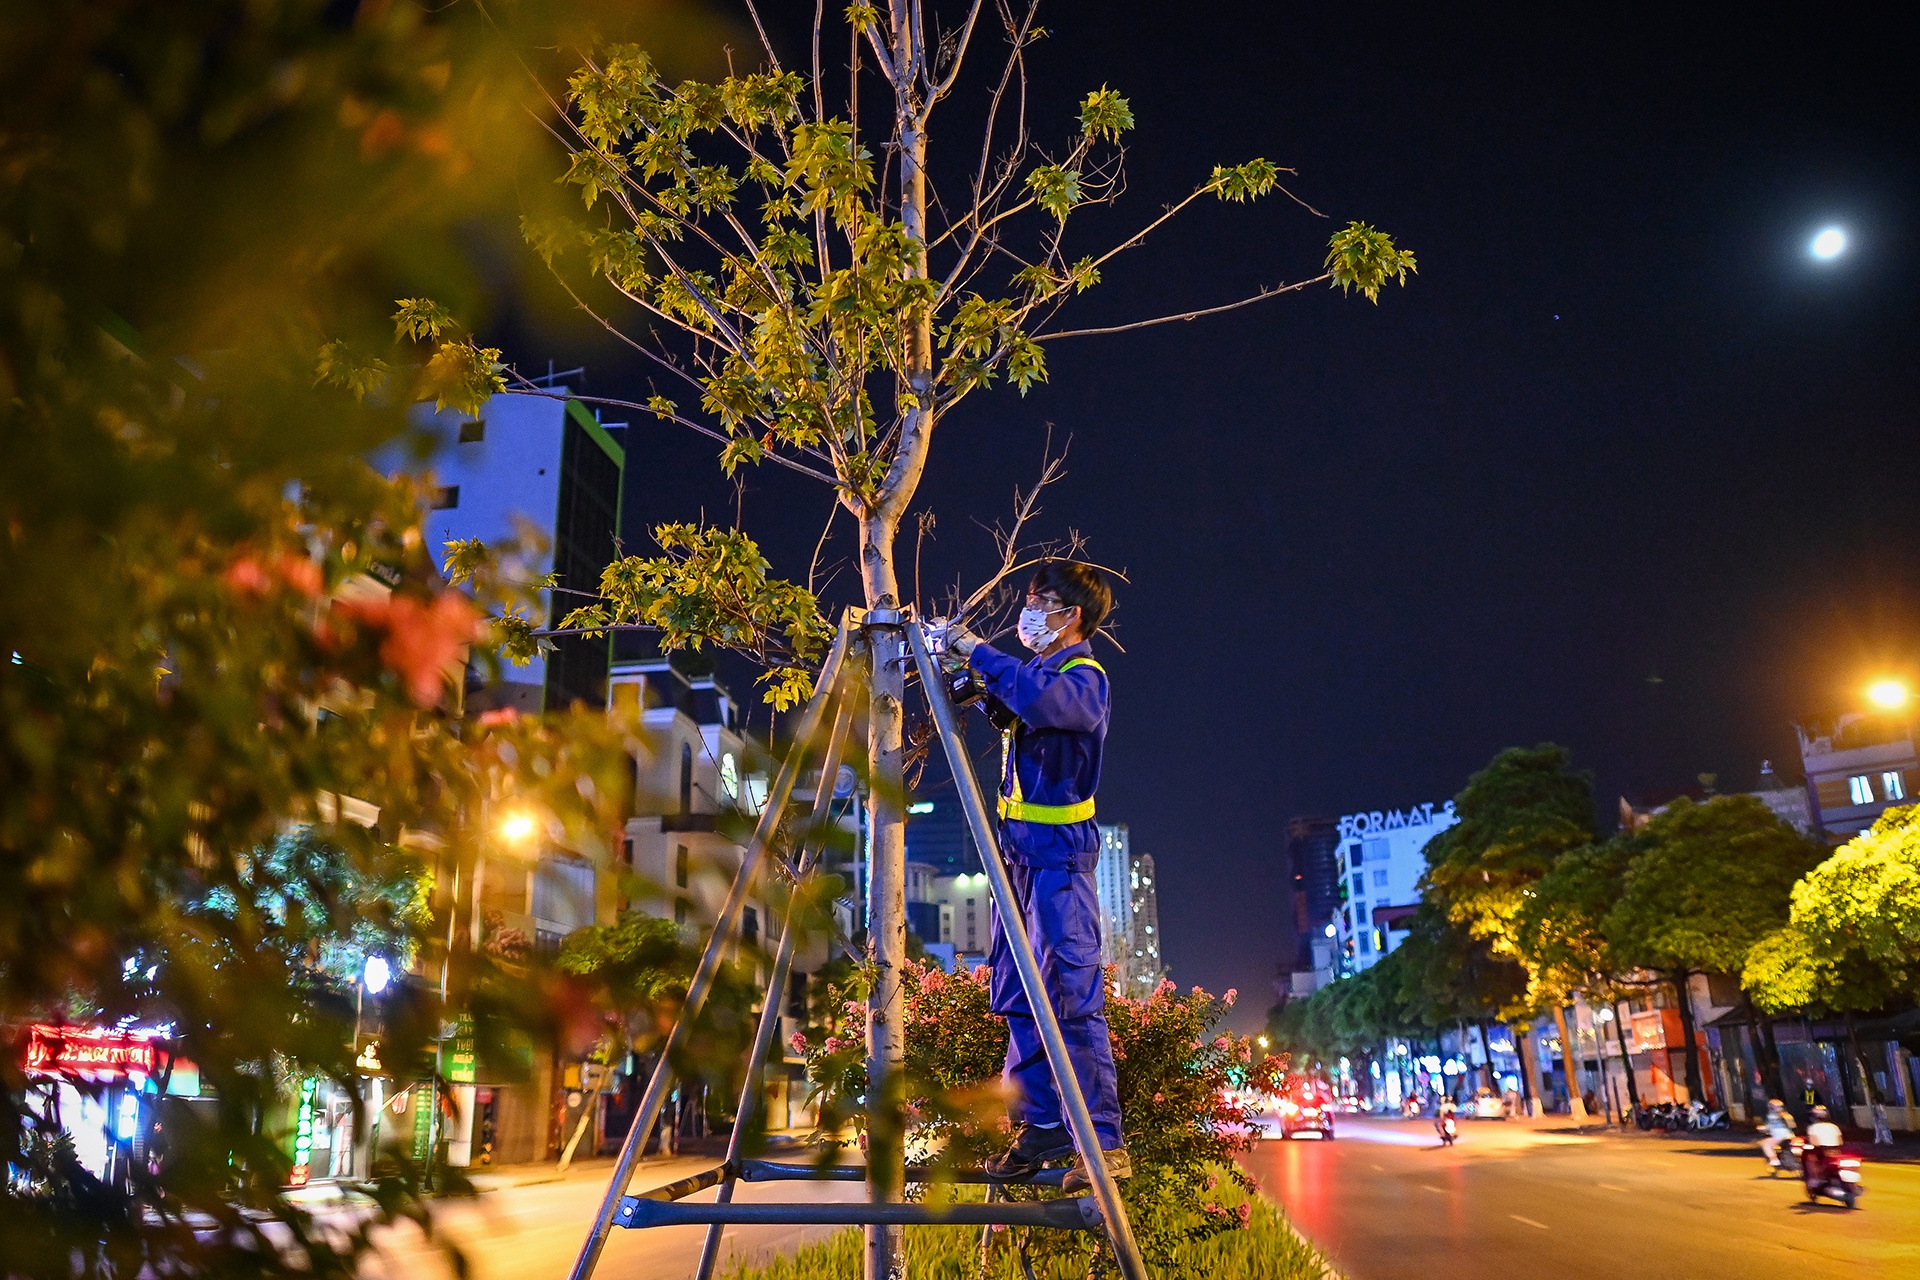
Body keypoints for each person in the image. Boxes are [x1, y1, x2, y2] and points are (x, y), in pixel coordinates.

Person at [932, 561, 1126, 1194]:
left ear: (1070, 615)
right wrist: (979, 686)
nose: (1031, 612)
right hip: (1017, 861)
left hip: (1059, 862)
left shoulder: (1082, 678)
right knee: (1017, 994)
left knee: (1070, 995)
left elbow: (1044, 706)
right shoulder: (1040, 675)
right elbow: (1020, 707)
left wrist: (977, 653)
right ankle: (1041, 1126)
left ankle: (1103, 1145)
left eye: (1042, 602)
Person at [1802, 1104, 1843, 1183]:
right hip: (1836, 1150)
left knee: (1809, 1157)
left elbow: (1814, 1143)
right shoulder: (1834, 1127)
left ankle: (1815, 1178)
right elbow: (1840, 1141)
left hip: (1821, 1150)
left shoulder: (1813, 1128)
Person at [1759, 1098, 1795, 1173]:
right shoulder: (1786, 1115)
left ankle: (1774, 1160)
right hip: (1789, 1136)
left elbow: (1770, 1126)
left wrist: (1763, 1128)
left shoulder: (1774, 1116)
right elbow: (1792, 1125)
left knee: (1766, 1145)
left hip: (1779, 1136)